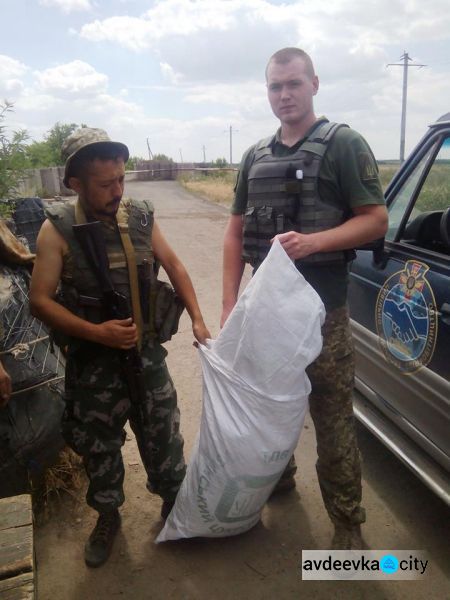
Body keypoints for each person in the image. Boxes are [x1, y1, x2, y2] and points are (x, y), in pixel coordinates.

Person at [221, 47, 388, 550]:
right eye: (275, 86)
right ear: (266, 91)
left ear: (314, 83)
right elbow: (233, 235)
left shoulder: (343, 144)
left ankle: (347, 525)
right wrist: (230, 306)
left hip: (323, 315)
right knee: (270, 406)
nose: (284, 94)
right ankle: (280, 476)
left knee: (332, 419)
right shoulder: (255, 156)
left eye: (293, 83)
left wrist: (314, 242)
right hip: (267, 312)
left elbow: (375, 219)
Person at [30, 127, 211, 567]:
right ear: (75, 184)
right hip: (93, 365)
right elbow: (39, 300)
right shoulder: (56, 230)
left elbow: (176, 266)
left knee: (164, 437)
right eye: (105, 184)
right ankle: (108, 515)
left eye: (121, 181)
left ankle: (174, 504)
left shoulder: (141, 217)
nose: (117, 191)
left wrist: (200, 321)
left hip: (146, 356)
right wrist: (97, 334)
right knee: (99, 448)